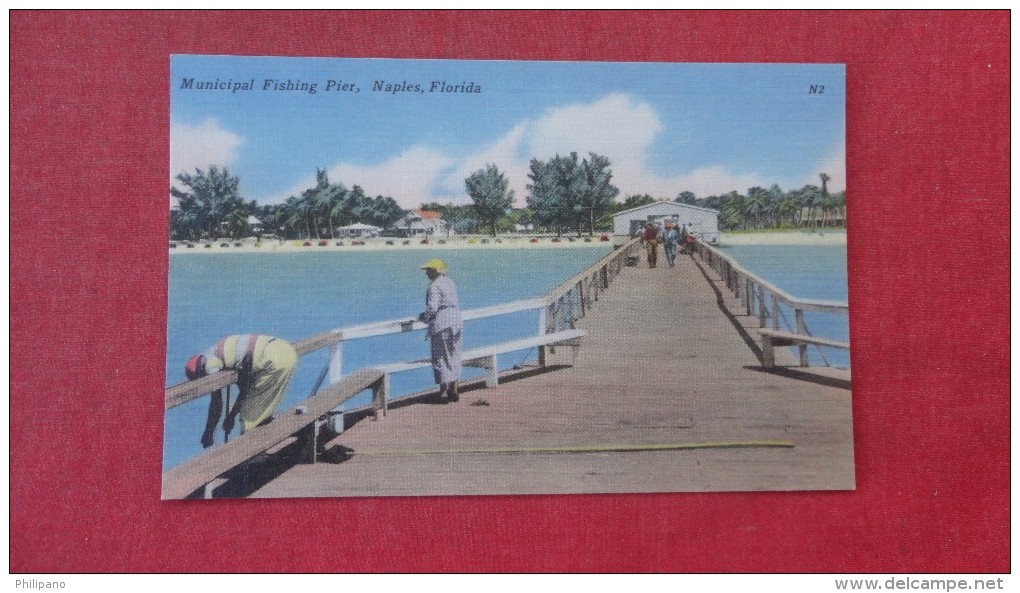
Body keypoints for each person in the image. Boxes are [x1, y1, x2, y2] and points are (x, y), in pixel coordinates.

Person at [185, 334, 298, 448]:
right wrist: (231, 416)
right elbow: (245, 391)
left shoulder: (210, 365)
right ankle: (262, 450)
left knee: (248, 419)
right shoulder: (222, 351)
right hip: (286, 352)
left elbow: (216, 404)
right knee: (262, 411)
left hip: (272, 361)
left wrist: (208, 433)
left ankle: (252, 458)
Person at [418, 258, 463, 403]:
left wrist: (424, 317)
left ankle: (443, 391)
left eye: (429, 270)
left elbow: (432, 307)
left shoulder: (434, 286)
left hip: (442, 324)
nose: (426, 273)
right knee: (454, 354)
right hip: (455, 322)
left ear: (435, 271)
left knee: (440, 357)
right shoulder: (450, 282)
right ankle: (454, 387)